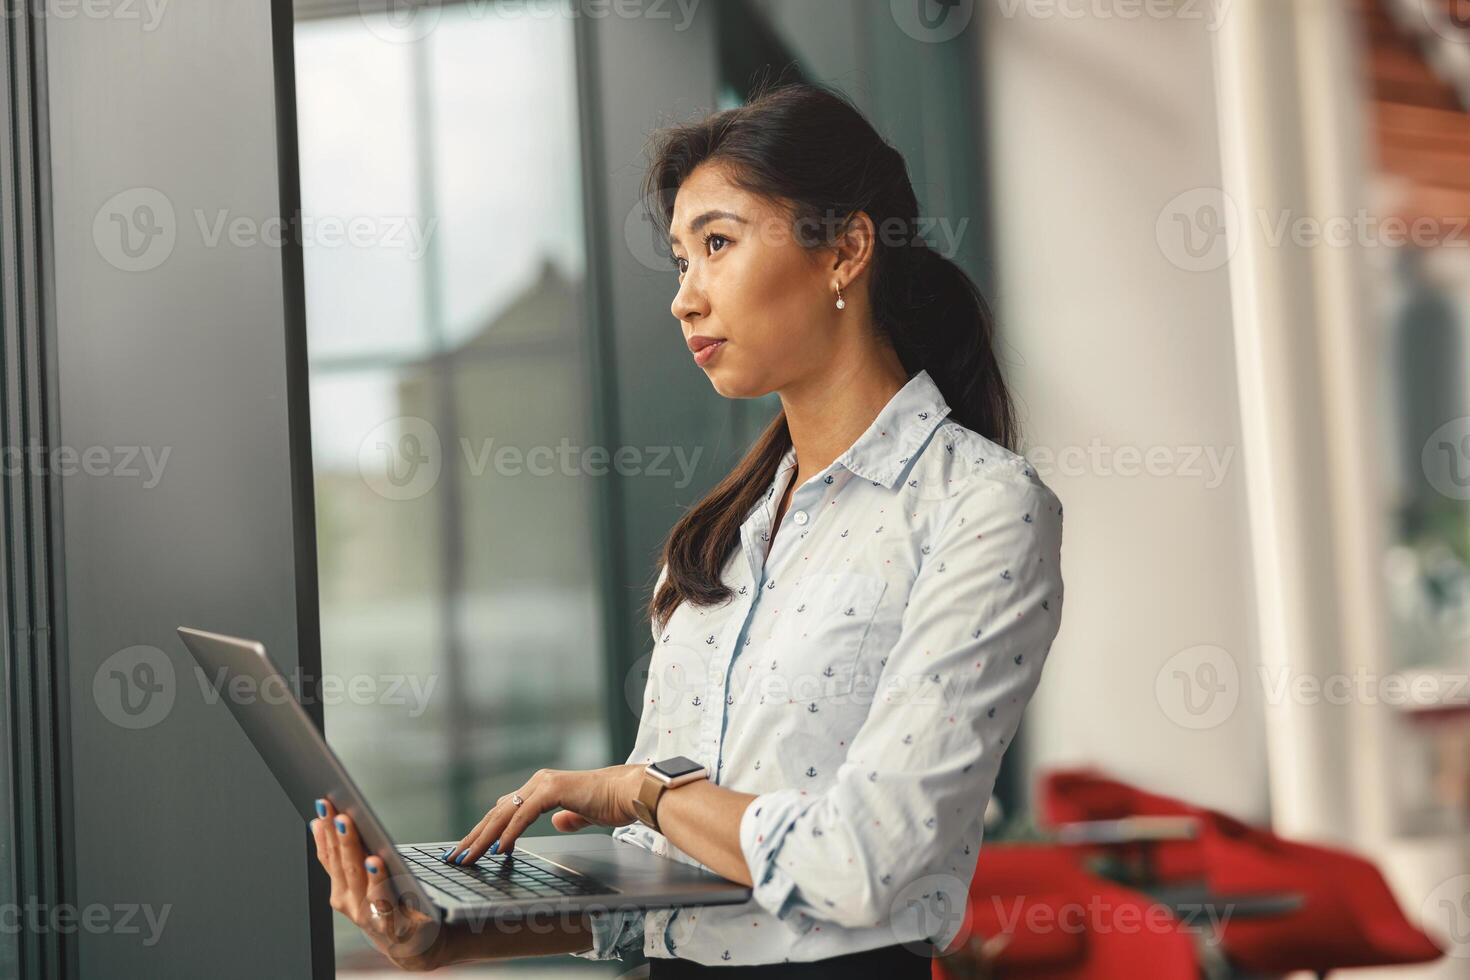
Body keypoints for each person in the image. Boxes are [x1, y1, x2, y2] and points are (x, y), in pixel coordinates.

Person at [308, 79, 1065, 976]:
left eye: (718, 243)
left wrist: (643, 791)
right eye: (680, 260)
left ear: (847, 249)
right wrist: (443, 936)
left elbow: (865, 861)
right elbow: (667, 894)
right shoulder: (723, 540)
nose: (685, 299)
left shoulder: (981, 508)